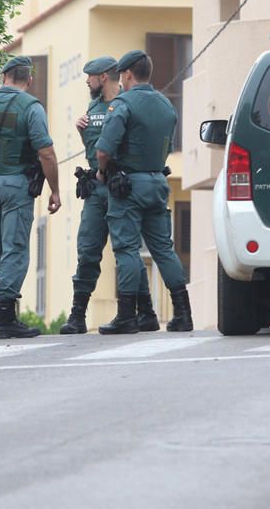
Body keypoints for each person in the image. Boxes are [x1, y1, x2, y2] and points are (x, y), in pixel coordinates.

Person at [95, 49, 193, 334]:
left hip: (128, 186)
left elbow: (103, 150)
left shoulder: (123, 104)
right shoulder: (166, 105)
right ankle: (183, 314)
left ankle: (127, 315)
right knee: (164, 248)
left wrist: (103, 171)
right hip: (157, 183)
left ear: (126, 74)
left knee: (126, 248)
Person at [60, 56, 158, 335]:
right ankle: (77, 315)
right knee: (88, 249)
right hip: (95, 188)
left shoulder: (129, 104)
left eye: (90, 76)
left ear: (103, 77)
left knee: (127, 250)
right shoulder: (93, 106)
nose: (87, 81)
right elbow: (95, 149)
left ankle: (145, 311)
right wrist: (82, 132)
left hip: (121, 186)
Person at [0, 56, 61, 339]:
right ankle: (6, 318)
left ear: (4, 76)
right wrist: (54, 189)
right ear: (28, 79)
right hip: (17, 184)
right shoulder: (31, 108)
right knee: (15, 247)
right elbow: (45, 152)